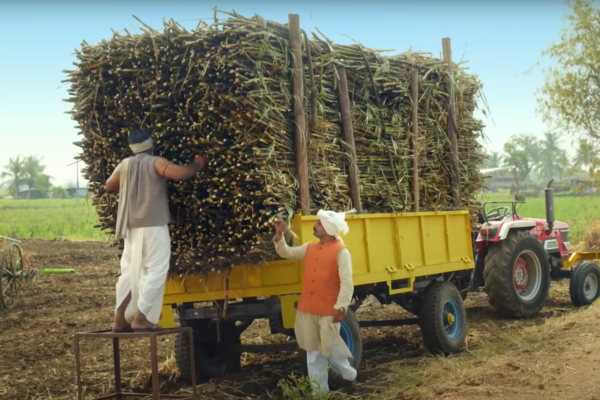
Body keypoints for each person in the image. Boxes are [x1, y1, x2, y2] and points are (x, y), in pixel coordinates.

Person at [105, 128, 207, 332]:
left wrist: (129, 182)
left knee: (130, 272)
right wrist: (198, 164)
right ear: (151, 145)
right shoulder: (155, 162)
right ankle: (142, 319)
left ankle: (119, 319)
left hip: (131, 228)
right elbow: (179, 173)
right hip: (153, 227)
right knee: (156, 271)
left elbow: (108, 185)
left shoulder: (124, 165)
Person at [274, 210, 357, 395]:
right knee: (313, 353)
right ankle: (320, 394)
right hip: (309, 309)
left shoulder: (341, 252)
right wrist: (279, 236)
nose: (315, 226)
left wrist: (341, 307)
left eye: (318, 224)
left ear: (327, 229)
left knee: (334, 350)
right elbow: (286, 252)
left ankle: (349, 375)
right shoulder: (310, 247)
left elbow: (347, 283)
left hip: (329, 311)